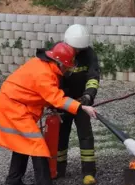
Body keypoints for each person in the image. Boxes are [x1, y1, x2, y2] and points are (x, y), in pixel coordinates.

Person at [0, 42, 97, 185]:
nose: (67, 70)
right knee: (37, 145)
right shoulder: (44, 74)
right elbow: (56, 98)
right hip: (15, 107)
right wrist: (81, 107)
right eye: (67, 67)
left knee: (23, 143)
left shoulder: (43, 66)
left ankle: (13, 180)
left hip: (16, 104)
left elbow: (42, 93)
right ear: (60, 64)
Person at [53, 24, 100, 185]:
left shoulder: (89, 54)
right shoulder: (59, 52)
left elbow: (93, 77)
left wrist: (88, 95)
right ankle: (58, 169)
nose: (77, 52)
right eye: (75, 48)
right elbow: (54, 79)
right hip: (63, 102)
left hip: (82, 101)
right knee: (60, 136)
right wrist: (56, 102)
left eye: (80, 49)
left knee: (86, 136)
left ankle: (88, 172)